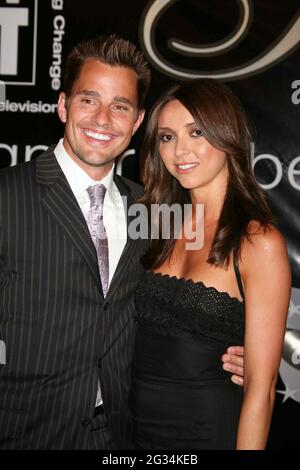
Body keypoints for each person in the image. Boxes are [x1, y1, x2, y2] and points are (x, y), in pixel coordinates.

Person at [0, 35, 244, 450]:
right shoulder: (7, 195)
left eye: (120, 106)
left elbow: (191, 296)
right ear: (62, 106)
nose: (102, 119)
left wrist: (246, 350)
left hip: (122, 436)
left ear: (136, 121)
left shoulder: (150, 210)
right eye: (88, 100)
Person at [130, 79, 291, 450]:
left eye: (196, 132)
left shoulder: (258, 242)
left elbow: (260, 392)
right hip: (135, 432)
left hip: (207, 433)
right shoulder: (158, 223)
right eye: (167, 137)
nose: (179, 150)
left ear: (226, 133)